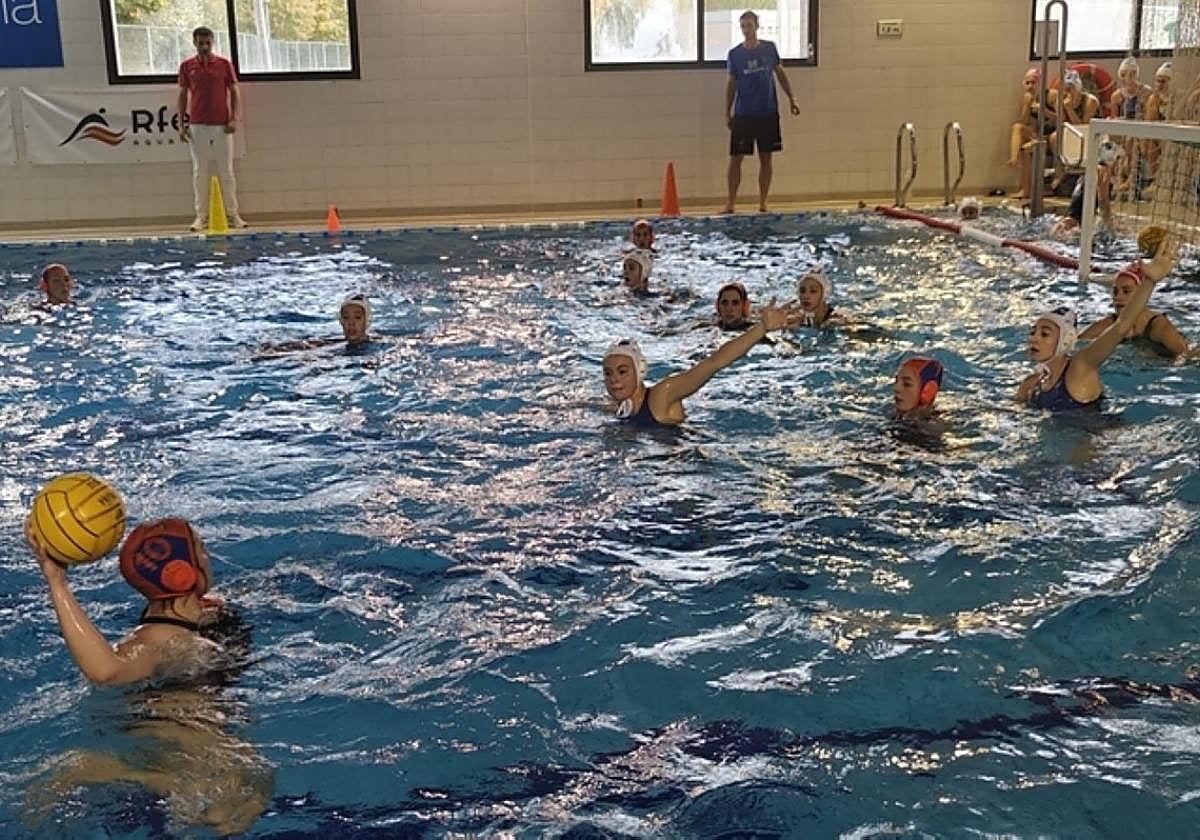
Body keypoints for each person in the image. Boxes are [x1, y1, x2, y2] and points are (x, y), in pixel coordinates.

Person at [25, 517, 271, 832]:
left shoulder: (205, 611)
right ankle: (107, 770)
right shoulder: (155, 640)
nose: (209, 556)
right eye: (202, 549)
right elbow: (106, 671)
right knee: (235, 809)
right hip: (180, 747)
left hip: (190, 737)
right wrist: (57, 583)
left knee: (250, 792)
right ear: (181, 573)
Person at [1016, 236, 1178, 411]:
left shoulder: (1081, 366)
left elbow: (1120, 327)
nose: (1034, 338)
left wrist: (1149, 281)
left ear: (1065, 340)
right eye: (1033, 332)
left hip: (1100, 436)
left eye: (1044, 334)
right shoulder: (1030, 385)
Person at [602, 298, 796, 427]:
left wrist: (761, 328)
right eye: (608, 373)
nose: (614, 380)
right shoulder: (620, 406)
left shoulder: (661, 395)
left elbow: (714, 363)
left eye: (622, 371)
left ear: (640, 371)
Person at [720, 10, 801, 214]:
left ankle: (763, 202)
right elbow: (731, 84)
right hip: (744, 114)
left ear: (757, 26)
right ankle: (731, 203)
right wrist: (727, 112)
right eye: (743, 26)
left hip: (767, 112)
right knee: (736, 158)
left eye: (749, 25)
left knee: (766, 158)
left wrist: (792, 98)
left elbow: (780, 73)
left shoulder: (768, 49)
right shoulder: (735, 54)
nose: (747, 30)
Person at [177, 26, 246, 232]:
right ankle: (201, 216)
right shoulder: (187, 66)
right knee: (200, 171)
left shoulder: (224, 64)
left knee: (227, 171)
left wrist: (234, 118)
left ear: (212, 42)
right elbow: (182, 96)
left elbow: (234, 92)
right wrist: (182, 124)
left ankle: (233, 214)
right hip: (198, 125)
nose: (204, 47)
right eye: (200, 43)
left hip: (222, 125)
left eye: (207, 43)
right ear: (194, 43)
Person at [1079, 262, 1189, 357]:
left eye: (1126, 291)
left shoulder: (1157, 326)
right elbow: (1076, 345)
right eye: (1115, 291)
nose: (1118, 297)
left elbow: (1186, 355)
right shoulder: (1110, 323)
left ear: (1141, 294)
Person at [255, 293, 373, 357]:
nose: (351, 323)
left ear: (367, 321)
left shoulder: (378, 343)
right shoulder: (333, 342)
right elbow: (308, 344)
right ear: (340, 321)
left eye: (357, 317)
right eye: (346, 317)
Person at [1050, 138, 1122, 237]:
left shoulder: (1092, 170)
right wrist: (1111, 229)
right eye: (1118, 160)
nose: (1119, 164)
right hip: (1073, 228)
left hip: (1067, 223)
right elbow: (1103, 201)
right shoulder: (1104, 172)